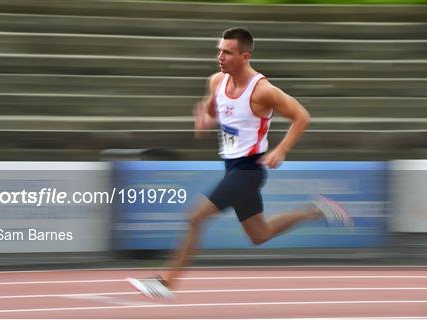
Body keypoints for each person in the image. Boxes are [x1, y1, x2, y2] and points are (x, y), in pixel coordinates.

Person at [127, 27, 354, 299]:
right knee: (260, 234)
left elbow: (301, 116)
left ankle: (166, 282)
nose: (220, 57)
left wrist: (280, 150)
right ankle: (315, 210)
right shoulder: (216, 81)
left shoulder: (263, 91)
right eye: (219, 50)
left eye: (227, 52)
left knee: (194, 217)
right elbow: (213, 109)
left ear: (245, 56)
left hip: (250, 170)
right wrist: (205, 119)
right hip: (231, 167)